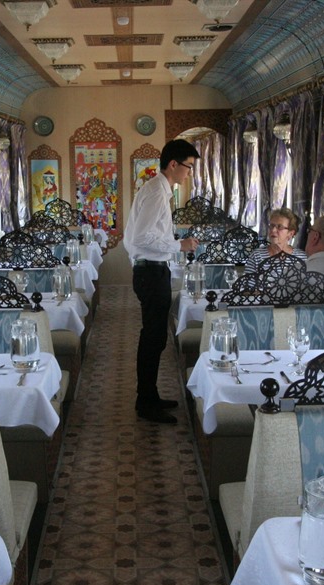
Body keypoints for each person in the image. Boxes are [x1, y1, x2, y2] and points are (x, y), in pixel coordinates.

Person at [123, 139, 200, 424]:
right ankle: (145, 402)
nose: (189, 173)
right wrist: (179, 245)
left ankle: (150, 396)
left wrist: (173, 244)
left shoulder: (158, 189)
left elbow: (136, 237)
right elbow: (141, 237)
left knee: (154, 339)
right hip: (151, 272)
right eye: (188, 167)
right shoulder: (157, 191)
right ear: (173, 165)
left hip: (152, 270)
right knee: (152, 339)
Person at [244, 208, 306, 274]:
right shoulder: (256, 256)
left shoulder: (301, 257)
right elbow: (248, 283)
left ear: (290, 233)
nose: (273, 230)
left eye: (280, 227)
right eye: (272, 226)